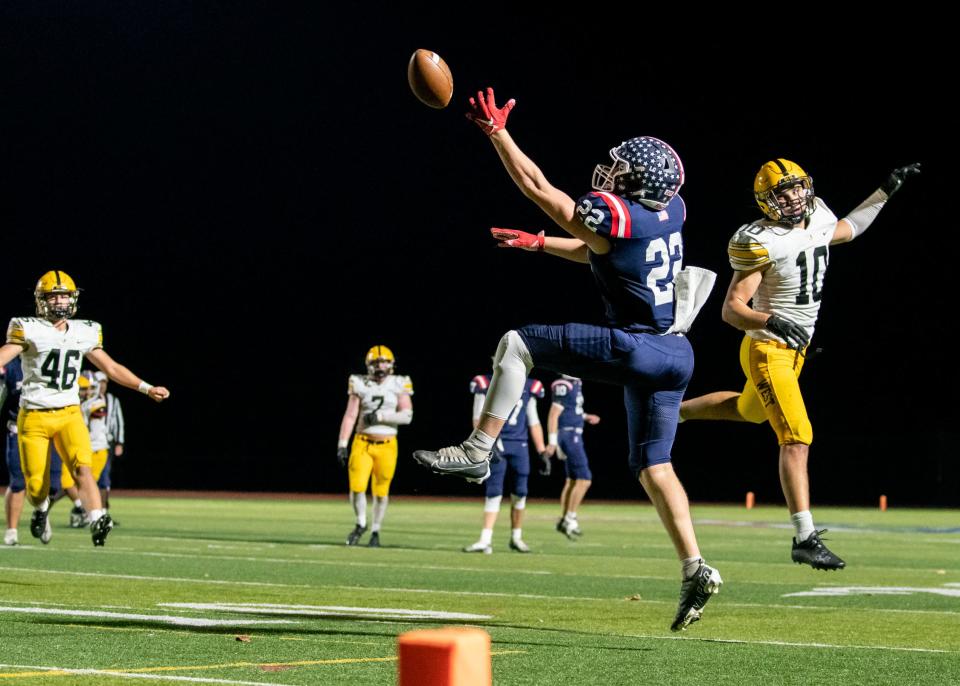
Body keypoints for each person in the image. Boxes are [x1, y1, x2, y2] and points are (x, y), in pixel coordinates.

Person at [413, 88, 721, 631]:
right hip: (677, 353)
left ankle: (478, 449)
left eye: (621, 171)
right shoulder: (670, 209)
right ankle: (695, 566)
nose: (609, 174)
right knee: (654, 466)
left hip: (638, 345)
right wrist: (540, 245)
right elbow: (597, 250)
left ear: (637, 184)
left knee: (518, 342)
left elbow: (539, 188)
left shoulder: (616, 214)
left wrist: (496, 133)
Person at [680, 159, 921, 570]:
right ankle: (804, 537)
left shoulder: (820, 216)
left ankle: (674, 412)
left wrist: (884, 192)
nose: (793, 197)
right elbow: (732, 310)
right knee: (796, 436)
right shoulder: (760, 239)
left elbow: (849, 228)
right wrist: (769, 319)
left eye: (797, 188)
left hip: (795, 350)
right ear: (766, 201)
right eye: (782, 192)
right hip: (767, 347)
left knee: (747, 410)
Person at [0, 270, 170, 546]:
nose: (60, 301)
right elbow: (6, 353)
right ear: (42, 300)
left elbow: (111, 367)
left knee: (83, 466)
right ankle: (41, 511)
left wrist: (146, 387)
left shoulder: (84, 330)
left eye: (64, 295)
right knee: (36, 486)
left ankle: (96, 518)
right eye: (54, 296)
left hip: (69, 413)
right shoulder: (26, 327)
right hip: (34, 416)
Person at [337, 345, 413, 548]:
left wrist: (380, 416)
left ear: (391, 364)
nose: (381, 366)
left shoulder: (399, 383)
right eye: (376, 362)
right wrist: (342, 443)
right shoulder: (359, 382)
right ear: (369, 364)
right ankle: (361, 522)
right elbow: (350, 415)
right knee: (357, 487)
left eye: (384, 362)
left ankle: (376, 530)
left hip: (388, 444)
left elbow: (407, 415)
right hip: (362, 442)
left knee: (381, 492)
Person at [463, 372, 546, 554]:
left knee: (521, 492)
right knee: (494, 490)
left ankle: (516, 537)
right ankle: (485, 539)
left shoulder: (530, 386)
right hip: (497, 442)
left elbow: (534, 420)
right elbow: (478, 418)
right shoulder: (485, 383)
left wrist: (542, 450)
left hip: (520, 445)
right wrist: (487, 443)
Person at [543, 375, 600, 539]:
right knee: (585, 479)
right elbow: (554, 414)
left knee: (573, 480)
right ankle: (570, 518)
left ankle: (563, 519)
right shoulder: (563, 384)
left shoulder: (576, 383)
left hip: (572, 433)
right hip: (568, 435)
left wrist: (585, 416)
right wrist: (552, 442)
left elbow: (571, 409)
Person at [1, 358, 27, 545]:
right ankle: (12, 530)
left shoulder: (48, 355)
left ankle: (42, 512)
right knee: (18, 481)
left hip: (48, 430)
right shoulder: (11, 366)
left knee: (53, 484)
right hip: (18, 429)